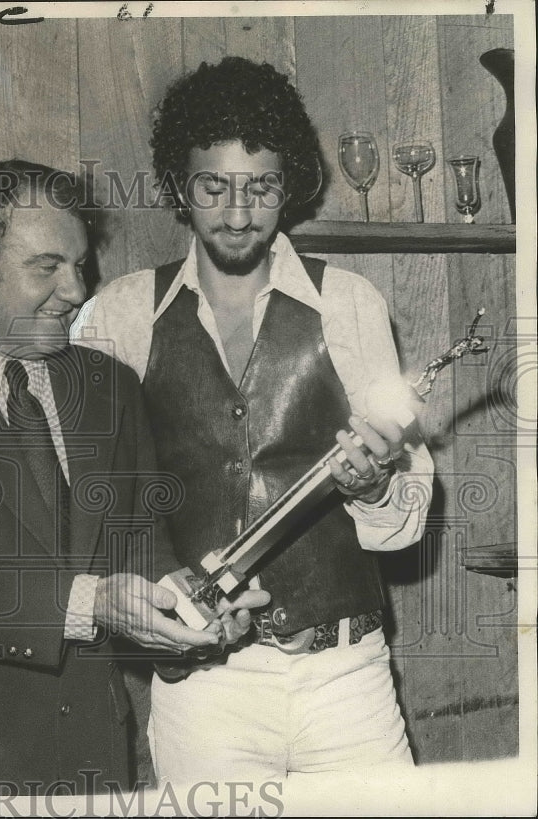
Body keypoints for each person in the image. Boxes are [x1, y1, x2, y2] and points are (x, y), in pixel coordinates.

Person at [0, 160, 269, 795]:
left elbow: (140, 549)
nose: (74, 291)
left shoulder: (111, 389)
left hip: (95, 757)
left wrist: (191, 609)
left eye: (78, 267)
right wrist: (92, 602)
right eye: (47, 267)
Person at [71, 56, 435, 783]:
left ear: (287, 186)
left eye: (260, 186)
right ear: (180, 185)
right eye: (214, 187)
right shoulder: (119, 312)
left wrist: (372, 488)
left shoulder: (351, 301)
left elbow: (410, 514)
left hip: (347, 675)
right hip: (204, 688)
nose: (238, 214)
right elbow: (82, 487)